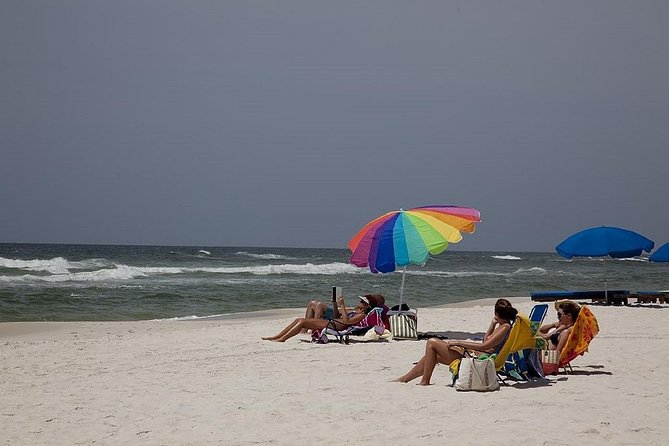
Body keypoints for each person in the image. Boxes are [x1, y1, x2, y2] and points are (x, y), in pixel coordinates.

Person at [395, 298, 518, 385]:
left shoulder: (504, 328)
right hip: (475, 356)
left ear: (496, 312)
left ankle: (423, 381)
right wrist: (492, 324)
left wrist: (459, 342)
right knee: (432, 355)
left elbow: (484, 346)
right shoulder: (503, 326)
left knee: (432, 342)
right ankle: (406, 379)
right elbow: (486, 341)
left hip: (478, 360)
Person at [262, 294, 381, 342]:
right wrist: (336, 304)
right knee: (299, 319)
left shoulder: (361, 315)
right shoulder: (355, 310)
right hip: (333, 322)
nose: (359, 302)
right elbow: (337, 315)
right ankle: (277, 337)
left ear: (367, 306)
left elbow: (346, 321)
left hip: (337, 326)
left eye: (362, 301)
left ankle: (283, 339)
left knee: (303, 322)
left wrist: (342, 305)